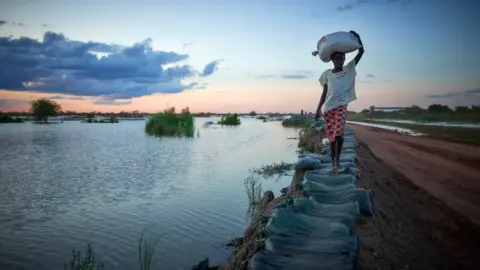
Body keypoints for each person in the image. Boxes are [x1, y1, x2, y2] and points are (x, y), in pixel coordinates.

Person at [312, 30, 364, 172]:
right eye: (336, 58)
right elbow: (324, 93)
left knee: (339, 133)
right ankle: (334, 158)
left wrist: (358, 38)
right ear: (333, 60)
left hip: (341, 105)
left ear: (344, 59)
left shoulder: (348, 69)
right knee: (332, 137)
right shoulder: (327, 74)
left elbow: (361, 52)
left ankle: (336, 160)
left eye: (341, 57)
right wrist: (317, 110)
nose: (339, 60)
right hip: (328, 108)